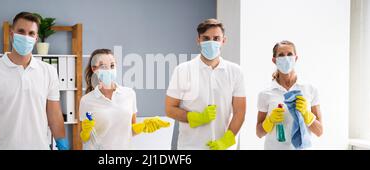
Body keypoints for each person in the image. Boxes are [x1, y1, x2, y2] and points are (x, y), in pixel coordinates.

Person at [0, 12, 68, 150]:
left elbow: (54, 113)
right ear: (11, 34)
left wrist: (61, 142)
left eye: (31, 33)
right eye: (21, 31)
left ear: (36, 38)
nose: (26, 37)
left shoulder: (48, 71)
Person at [165, 19, 246, 150]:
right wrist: (196, 118)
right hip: (191, 147)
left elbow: (240, 111)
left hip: (224, 148)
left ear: (223, 40)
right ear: (198, 40)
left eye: (216, 38)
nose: (211, 42)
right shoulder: (183, 70)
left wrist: (227, 139)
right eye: (206, 38)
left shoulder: (235, 71)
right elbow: (170, 109)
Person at [79, 49, 170, 150]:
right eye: (103, 66)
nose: (109, 70)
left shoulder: (129, 94)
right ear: (94, 69)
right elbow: (84, 139)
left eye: (112, 65)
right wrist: (86, 132)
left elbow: (131, 130)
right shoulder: (86, 100)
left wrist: (143, 126)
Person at [256, 40, 323, 150]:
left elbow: (319, 131)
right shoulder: (265, 94)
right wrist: (270, 121)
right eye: (281, 55)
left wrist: (306, 114)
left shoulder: (310, 90)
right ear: (274, 60)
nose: (286, 58)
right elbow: (259, 133)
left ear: (296, 58)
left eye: (290, 54)